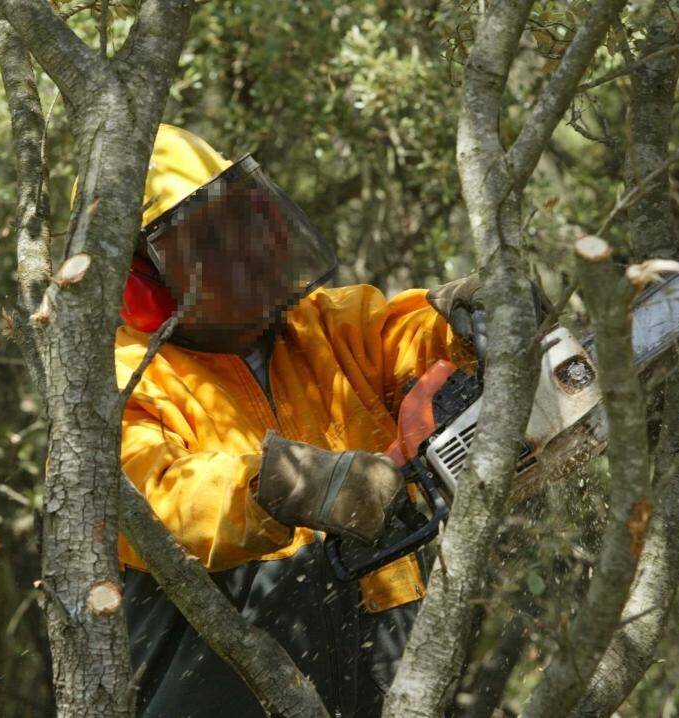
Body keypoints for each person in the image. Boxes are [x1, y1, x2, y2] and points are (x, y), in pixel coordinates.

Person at [113, 124, 479, 717]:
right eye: (206, 244)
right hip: (224, 669)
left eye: (239, 225)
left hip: (379, 625)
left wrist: (459, 322)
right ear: (145, 279)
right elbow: (156, 496)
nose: (239, 252)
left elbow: (399, 335)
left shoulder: (322, 326)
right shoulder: (128, 378)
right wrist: (280, 484)